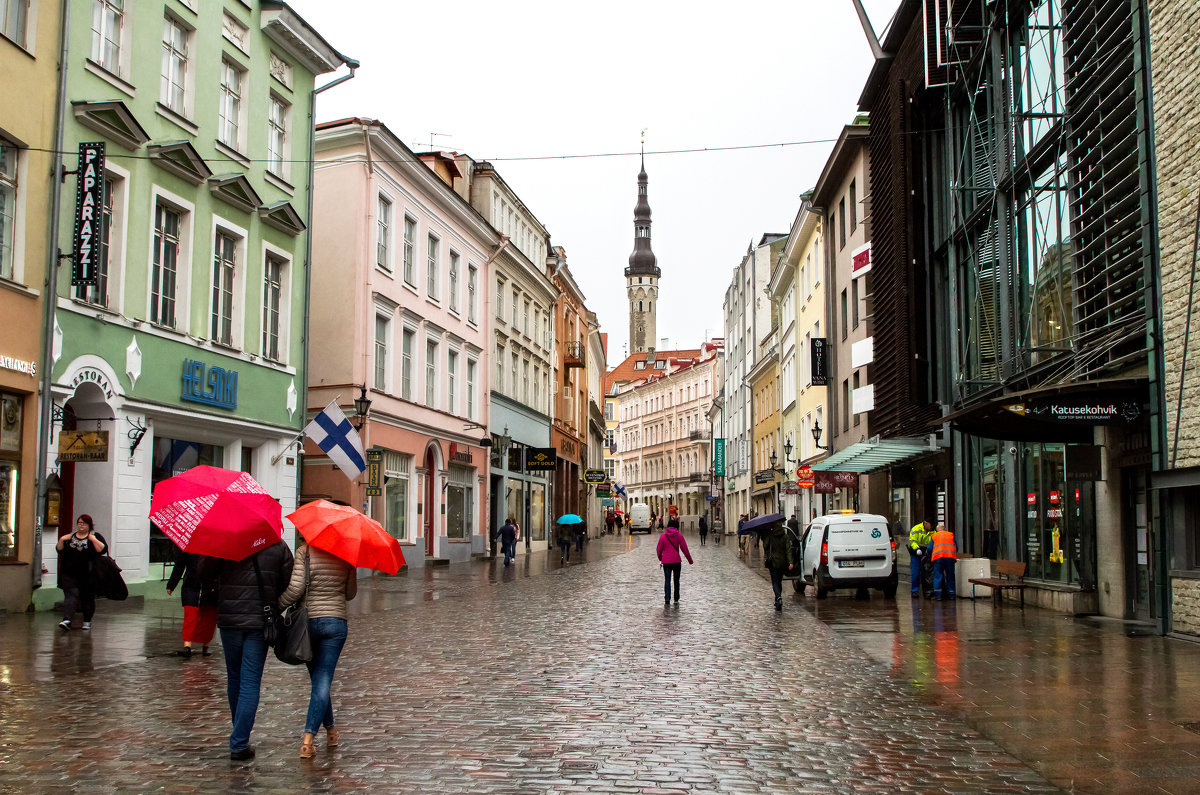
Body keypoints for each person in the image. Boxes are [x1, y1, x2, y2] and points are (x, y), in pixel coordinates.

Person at [200, 539, 294, 761]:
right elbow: (287, 581)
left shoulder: (221, 541)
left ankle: (239, 737)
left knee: (234, 678)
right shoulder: (276, 545)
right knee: (250, 680)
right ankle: (239, 741)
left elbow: (204, 573)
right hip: (259, 620)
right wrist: (271, 601)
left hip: (230, 618)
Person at [279, 541, 358, 758]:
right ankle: (330, 731)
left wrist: (277, 606)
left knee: (320, 681)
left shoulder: (305, 552)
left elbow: (295, 589)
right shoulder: (348, 553)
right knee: (321, 681)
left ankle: (308, 739)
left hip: (309, 623)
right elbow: (350, 594)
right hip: (335, 623)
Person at [56, 514, 106, 631]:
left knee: (87, 598)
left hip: (88, 574)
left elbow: (102, 550)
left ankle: (87, 621)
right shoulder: (70, 537)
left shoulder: (94, 536)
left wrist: (93, 540)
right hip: (70, 574)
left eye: (84, 523)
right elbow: (60, 550)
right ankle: (67, 620)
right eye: (79, 523)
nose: (81, 525)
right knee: (71, 595)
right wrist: (62, 539)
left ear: (89, 525)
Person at [166, 551, 217, 657]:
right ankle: (187, 646)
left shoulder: (215, 549)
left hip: (210, 589)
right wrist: (171, 584)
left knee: (208, 618)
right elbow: (179, 566)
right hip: (190, 587)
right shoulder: (189, 548)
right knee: (190, 616)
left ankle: (205, 645)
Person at [656, 517, 693, 605]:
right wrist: (690, 560)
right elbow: (685, 549)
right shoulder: (679, 536)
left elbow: (658, 549)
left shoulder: (663, 536)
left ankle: (667, 598)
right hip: (676, 561)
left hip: (666, 562)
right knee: (676, 580)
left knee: (667, 580)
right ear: (677, 527)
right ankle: (676, 598)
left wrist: (661, 558)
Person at [761, 517, 794, 610]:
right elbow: (788, 550)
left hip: (773, 562)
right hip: (783, 562)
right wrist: (790, 562)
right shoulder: (785, 536)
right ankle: (777, 599)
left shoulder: (770, 535)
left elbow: (765, 546)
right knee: (779, 580)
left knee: (775, 581)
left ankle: (778, 598)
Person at [929, 524, 958, 600]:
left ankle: (938, 595)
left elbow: (929, 549)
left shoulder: (935, 536)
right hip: (950, 557)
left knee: (938, 575)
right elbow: (956, 547)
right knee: (950, 576)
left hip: (939, 557)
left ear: (937, 529)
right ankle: (951, 594)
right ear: (944, 529)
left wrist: (927, 554)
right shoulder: (951, 535)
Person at [908, 519, 934, 597]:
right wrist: (916, 549)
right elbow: (912, 541)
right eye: (930, 525)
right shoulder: (916, 529)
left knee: (926, 574)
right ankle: (915, 591)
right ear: (926, 523)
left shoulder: (933, 531)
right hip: (916, 553)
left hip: (927, 553)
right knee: (916, 572)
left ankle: (927, 591)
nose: (931, 527)